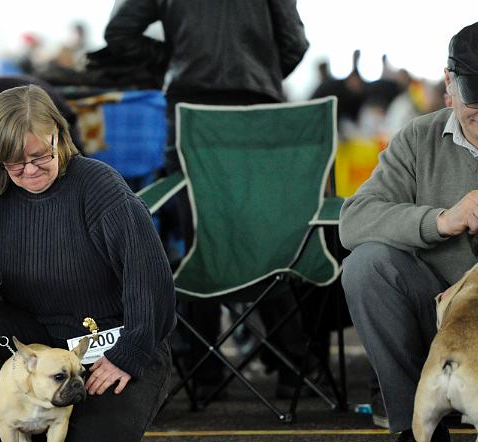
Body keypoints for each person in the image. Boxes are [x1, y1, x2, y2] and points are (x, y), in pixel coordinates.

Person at [0, 85, 176, 442]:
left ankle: (66, 435)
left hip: (109, 343)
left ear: (58, 135)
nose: (28, 170)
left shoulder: (100, 187)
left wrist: (131, 352)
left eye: (39, 156)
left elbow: (149, 277)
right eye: (13, 163)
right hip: (37, 343)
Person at [102, 0, 317, 398]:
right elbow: (294, 43)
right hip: (258, 110)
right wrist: (262, 71)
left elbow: (118, 34)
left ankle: (204, 374)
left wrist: (173, 58)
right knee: (266, 238)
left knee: (200, 237)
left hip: (191, 109)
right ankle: (294, 367)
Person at [340, 19, 478, 442]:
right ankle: (417, 431)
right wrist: (441, 220)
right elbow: (353, 221)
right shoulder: (418, 137)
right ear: (450, 83)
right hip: (437, 315)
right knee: (366, 264)